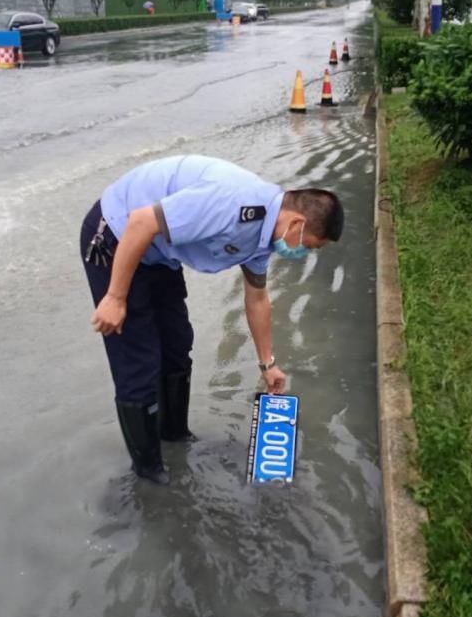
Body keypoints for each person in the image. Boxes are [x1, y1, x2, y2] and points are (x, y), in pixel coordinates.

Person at [81, 155, 345, 484]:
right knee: (138, 360)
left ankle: (174, 436)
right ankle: (149, 473)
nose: (304, 253)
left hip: (159, 254)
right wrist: (116, 297)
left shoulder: (265, 235)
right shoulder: (231, 204)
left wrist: (268, 364)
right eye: (309, 246)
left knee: (177, 345)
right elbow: (141, 222)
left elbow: (257, 298)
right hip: (117, 238)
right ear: (296, 224)